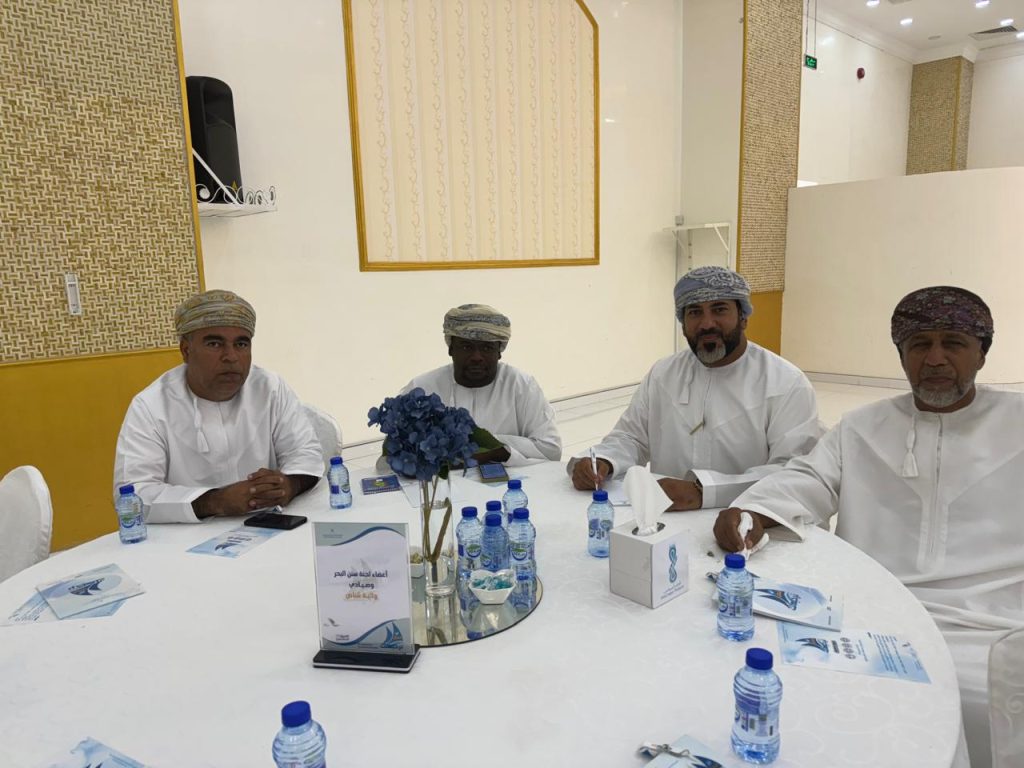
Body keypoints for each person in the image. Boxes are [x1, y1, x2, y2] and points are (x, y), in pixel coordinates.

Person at [713, 286, 1022, 768]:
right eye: (919, 345)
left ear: (982, 352)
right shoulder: (862, 427)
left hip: (997, 626)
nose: (935, 359)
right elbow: (808, 479)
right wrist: (750, 511)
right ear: (901, 355)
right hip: (876, 614)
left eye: (953, 343)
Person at [569, 266, 822, 510]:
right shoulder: (664, 373)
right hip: (666, 517)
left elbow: (792, 471)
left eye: (719, 309)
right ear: (683, 324)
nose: (706, 323)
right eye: (694, 312)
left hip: (747, 518)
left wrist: (704, 492)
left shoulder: (785, 382)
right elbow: (631, 437)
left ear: (743, 317)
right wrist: (603, 460)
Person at [113, 290, 323, 523]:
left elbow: (306, 453)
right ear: (186, 350)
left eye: (241, 344)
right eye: (214, 343)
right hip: (185, 535)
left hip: (270, 524)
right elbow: (132, 494)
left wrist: (289, 484)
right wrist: (215, 502)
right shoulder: (151, 405)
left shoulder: (270, 388)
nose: (231, 356)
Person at [402, 303, 561, 466]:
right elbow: (396, 451)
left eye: (486, 347)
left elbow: (551, 450)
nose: (476, 357)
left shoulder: (522, 386)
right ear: (451, 349)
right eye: (466, 346)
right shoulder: (421, 388)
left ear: (499, 352)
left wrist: (495, 448)